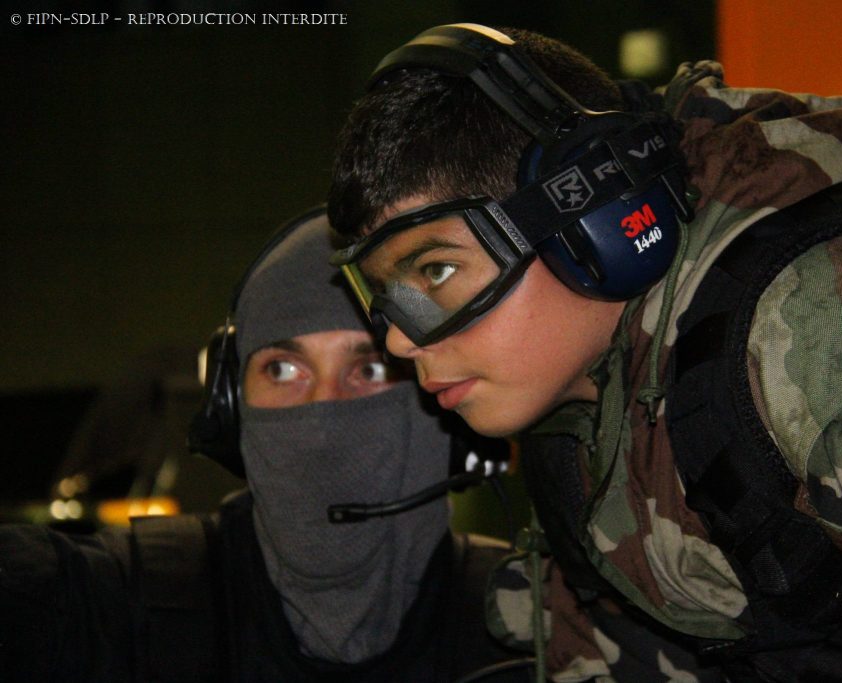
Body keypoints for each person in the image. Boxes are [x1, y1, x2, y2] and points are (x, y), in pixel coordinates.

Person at [326, 23, 842, 682]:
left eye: (437, 270)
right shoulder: (584, 417)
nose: (399, 337)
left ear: (594, 213)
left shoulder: (832, 335)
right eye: (389, 297)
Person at [0, 208, 530, 682]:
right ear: (231, 410)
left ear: (444, 404)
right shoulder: (110, 604)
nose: (321, 421)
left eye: (369, 369)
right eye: (282, 370)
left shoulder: (543, 628)